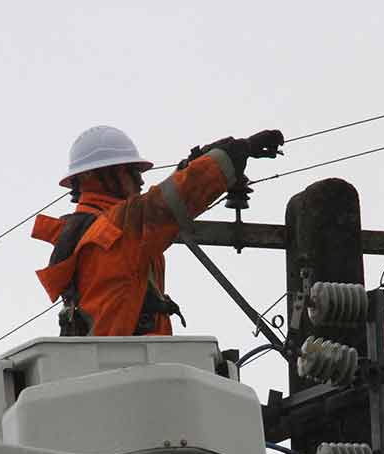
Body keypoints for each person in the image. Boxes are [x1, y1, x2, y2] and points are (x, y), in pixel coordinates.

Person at [32, 125, 284, 336]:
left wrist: (192, 166)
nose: (141, 181)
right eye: (131, 172)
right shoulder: (114, 229)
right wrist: (235, 153)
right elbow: (169, 202)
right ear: (95, 177)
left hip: (112, 371)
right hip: (135, 371)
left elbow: (157, 207)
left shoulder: (84, 231)